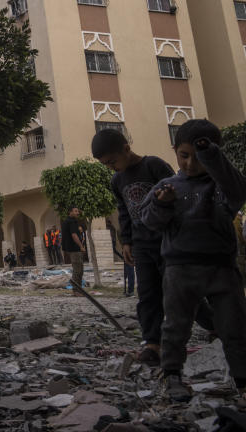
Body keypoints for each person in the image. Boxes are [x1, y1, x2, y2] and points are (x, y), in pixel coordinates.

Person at [141, 119, 246, 402]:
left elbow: (238, 193)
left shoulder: (222, 184)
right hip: (180, 270)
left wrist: (212, 157)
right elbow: (150, 221)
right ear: (175, 151)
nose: (189, 164)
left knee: (233, 327)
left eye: (197, 157)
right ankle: (172, 375)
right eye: (183, 156)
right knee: (175, 326)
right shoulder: (166, 185)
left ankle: (242, 379)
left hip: (221, 269)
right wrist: (162, 204)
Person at [92, 128, 215, 367]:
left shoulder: (154, 166)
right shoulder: (117, 180)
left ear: (126, 149)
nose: (111, 167)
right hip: (141, 245)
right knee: (148, 294)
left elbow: (180, 195)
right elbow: (124, 213)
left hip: (168, 243)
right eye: (106, 164)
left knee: (182, 292)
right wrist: (126, 241)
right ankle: (152, 343)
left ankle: (216, 325)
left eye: (112, 161)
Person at [61, 207, 85, 289]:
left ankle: (78, 289)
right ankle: (76, 290)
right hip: (74, 249)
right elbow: (74, 235)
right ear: (70, 212)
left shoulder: (66, 221)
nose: (78, 213)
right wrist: (81, 246)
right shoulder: (71, 222)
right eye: (75, 211)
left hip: (71, 249)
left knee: (79, 270)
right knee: (78, 271)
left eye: (78, 211)